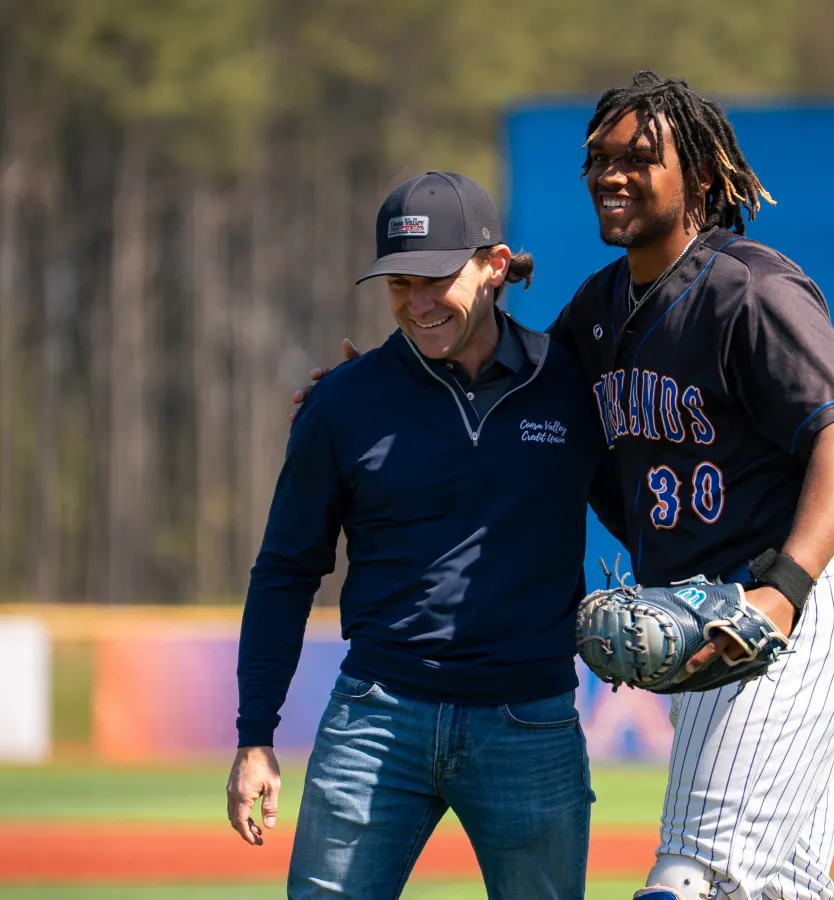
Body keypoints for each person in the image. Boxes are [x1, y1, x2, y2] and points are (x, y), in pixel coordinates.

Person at [296, 71, 834, 900]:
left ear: (704, 180)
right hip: (708, 619)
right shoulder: (602, 308)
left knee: (690, 877)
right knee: (780, 889)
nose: (613, 173)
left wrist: (781, 596)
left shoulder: (748, 289)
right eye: (599, 158)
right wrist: (391, 380)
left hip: (793, 607)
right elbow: (505, 376)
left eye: (641, 157)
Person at [228, 171, 603, 900]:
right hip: (377, 719)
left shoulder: (569, 385)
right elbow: (284, 572)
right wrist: (255, 734)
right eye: (400, 283)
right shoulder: (343, 403)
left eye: (437, 279)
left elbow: (643, 505)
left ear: (494, 268)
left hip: (531, 724)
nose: (418, 303)